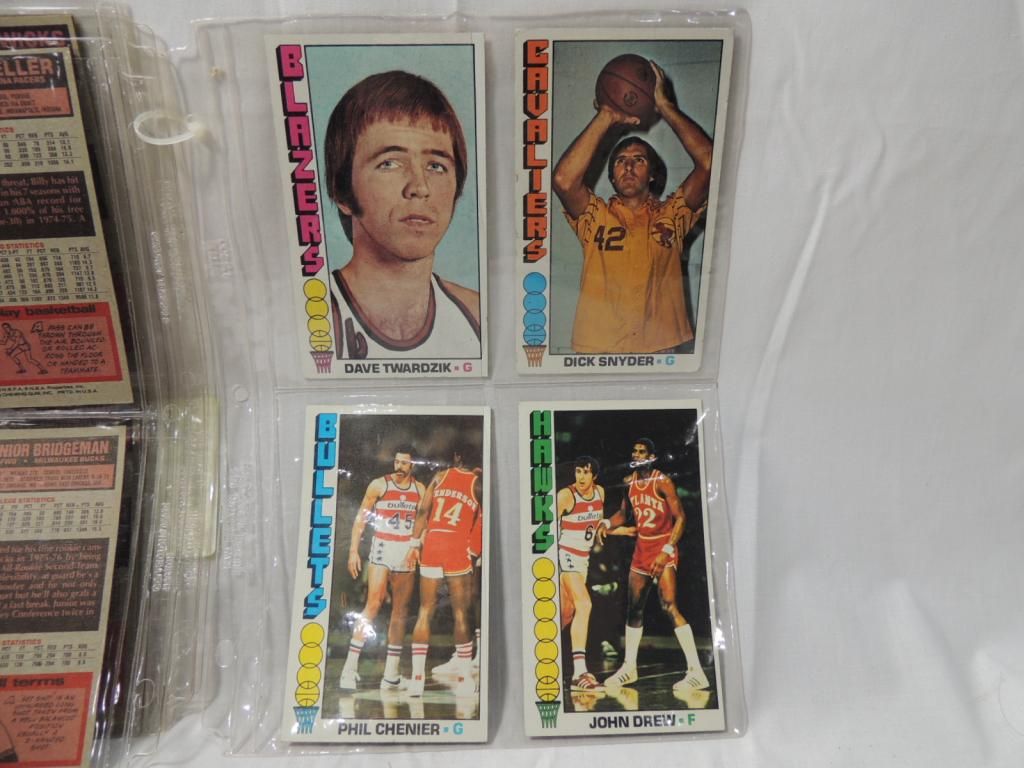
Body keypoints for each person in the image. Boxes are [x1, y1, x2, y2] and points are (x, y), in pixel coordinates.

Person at [552, 59, 713, 354]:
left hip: (658, 348)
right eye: (620, 162)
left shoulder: (672, 215)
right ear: (612, 176)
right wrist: (606, 115)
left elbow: (710, 163)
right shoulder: (595, 217)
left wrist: (665, 107)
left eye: (638, 160)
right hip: (599, 349)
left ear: (652, 174)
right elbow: (563, 180)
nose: (628, 167)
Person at [323, 70, 481, 359]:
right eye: (390, 163)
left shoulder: (476, 316)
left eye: (436, 166)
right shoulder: (316, 320)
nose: (419, 187)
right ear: (342, 191)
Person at [597, 438, 709, 692]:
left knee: (669, 605)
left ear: (651, 457)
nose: (636, 455)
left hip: (663, 546)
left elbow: (681, 518)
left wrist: (667, 550)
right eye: (634, 451)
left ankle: (696, 672)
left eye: (642, 452)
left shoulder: (663, 481)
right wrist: (606, 523)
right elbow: (623, 513)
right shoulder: (629, 482)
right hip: (642, 549)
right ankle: (629, 668)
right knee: (634, 609)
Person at [338, 446, 424, 692]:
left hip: (405, 548)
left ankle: (391, 675)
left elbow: (424, 522)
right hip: (383, 547)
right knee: (373, 604)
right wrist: (353, 551)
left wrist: (417, 546)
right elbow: (361, 519)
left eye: (404, 463)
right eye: (396, 462)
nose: (399, 467)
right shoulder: (379, 484)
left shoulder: (420, 490)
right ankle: (349, 669)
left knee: (400, 611)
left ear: (413, 465)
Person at [405, 452, 483, 698]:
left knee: (425, 611)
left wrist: (414, 544)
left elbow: (422, 512)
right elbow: (482, 520)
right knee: (461, 613)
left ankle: (417, 679)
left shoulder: (439, 476)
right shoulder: (477, 483)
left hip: (433, 542)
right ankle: (464, 678)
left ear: (456, 457)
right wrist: (474, 551)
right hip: (457, 545)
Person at [557, 456, 607, 692]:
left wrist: (616, 528)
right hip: (564, 555)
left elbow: (593, 527)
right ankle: (579, 674)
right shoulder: (566, 496)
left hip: (582, 560)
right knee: (584, 605)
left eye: (586, 472)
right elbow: (543, 528)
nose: (581, 477)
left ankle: (534, 651)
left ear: (594, 476)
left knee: (565, 615)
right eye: (578, 471)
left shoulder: (600, 493)